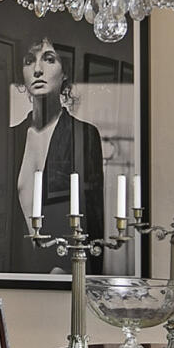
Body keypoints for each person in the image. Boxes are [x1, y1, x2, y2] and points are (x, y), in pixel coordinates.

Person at [11, 39, 106, 261]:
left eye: (49, 59)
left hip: (65, 271)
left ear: (65, 73)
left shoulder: (84, 135)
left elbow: (94, 222)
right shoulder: (10, 137)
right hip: (16, 273)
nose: (37, 70)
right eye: (29, 61)